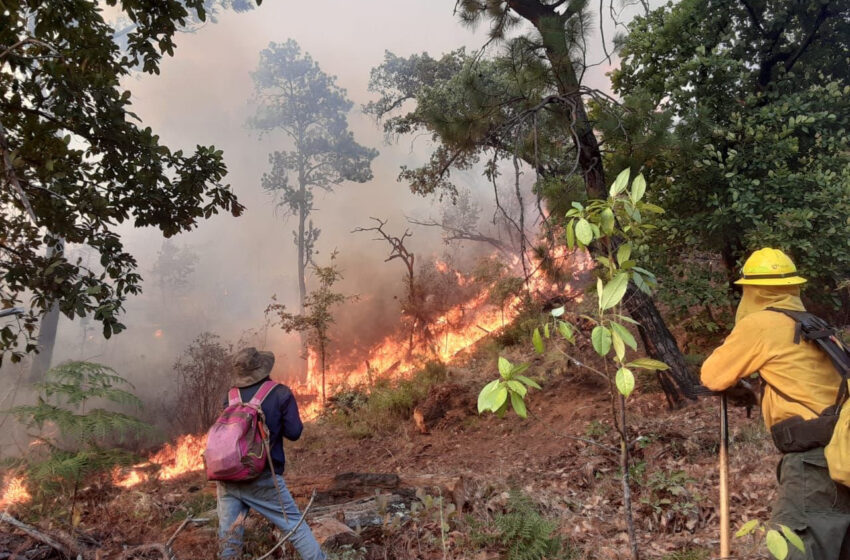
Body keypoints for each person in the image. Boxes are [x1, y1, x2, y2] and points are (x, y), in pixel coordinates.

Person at [700, 248, 850, 559]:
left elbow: (712, 375)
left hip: (813, 464)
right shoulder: (814, 324)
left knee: (798, 548)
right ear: (793, 287)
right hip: (842, 453)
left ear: (751, 290)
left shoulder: (762, 324)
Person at [216, 347, 326, 560]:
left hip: (227, 478)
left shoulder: (229, 396)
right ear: (263, 368)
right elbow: (295, 433)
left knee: (229, 540)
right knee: (295, 526)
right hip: (263, 477)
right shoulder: (280, 393)